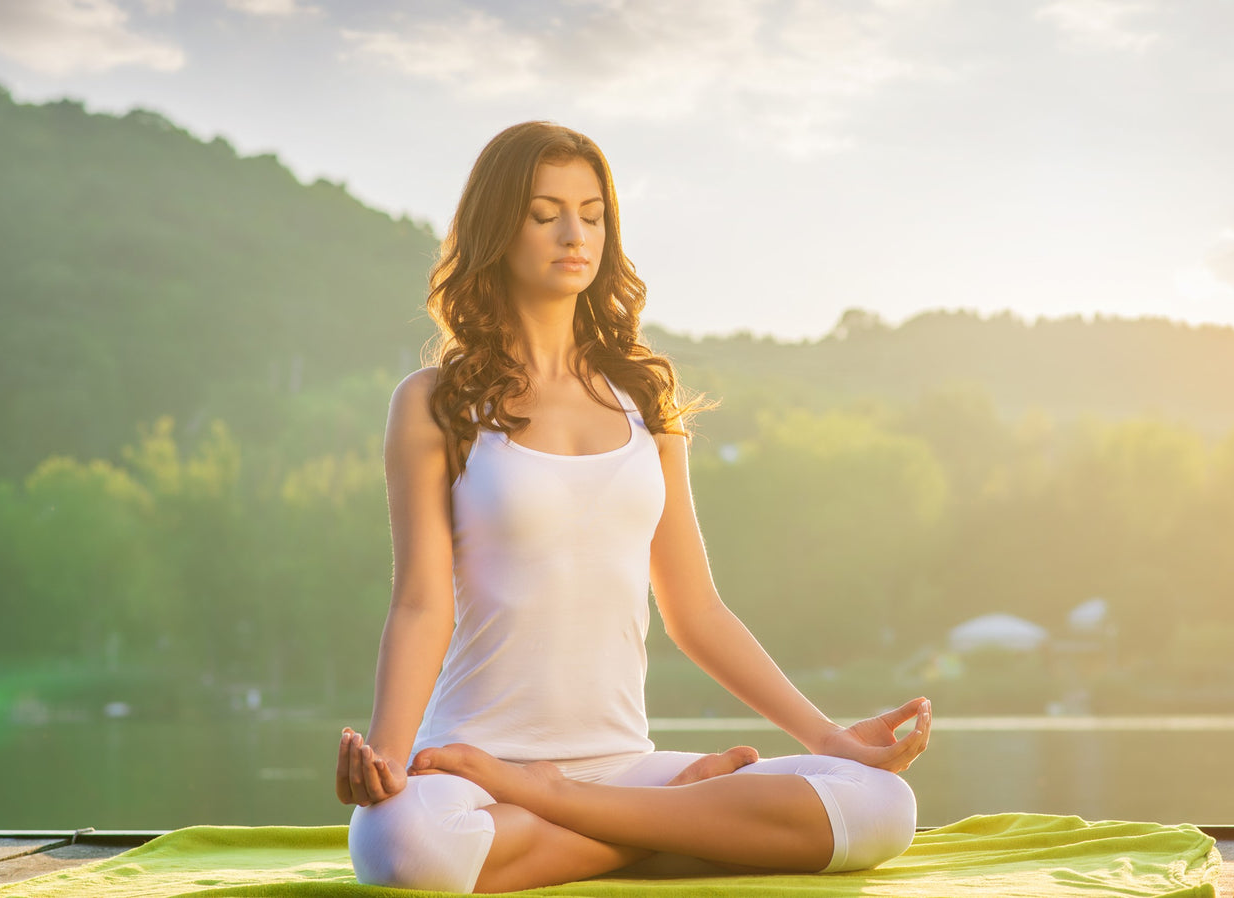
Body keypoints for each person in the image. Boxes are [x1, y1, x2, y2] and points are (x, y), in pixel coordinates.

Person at [333, 120, 930, 894]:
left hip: (623, 761)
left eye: (593, 213)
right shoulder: (434, 404)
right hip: (476, 766)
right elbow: (420, 604)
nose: (574, 233)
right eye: (545, 213)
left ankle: (572, 808)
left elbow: (696, 608)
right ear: (495, 229)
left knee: (880, 803)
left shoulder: (644, 398)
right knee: (400, 846)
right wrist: (386, 753)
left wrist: (827, 738)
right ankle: (670, 821)